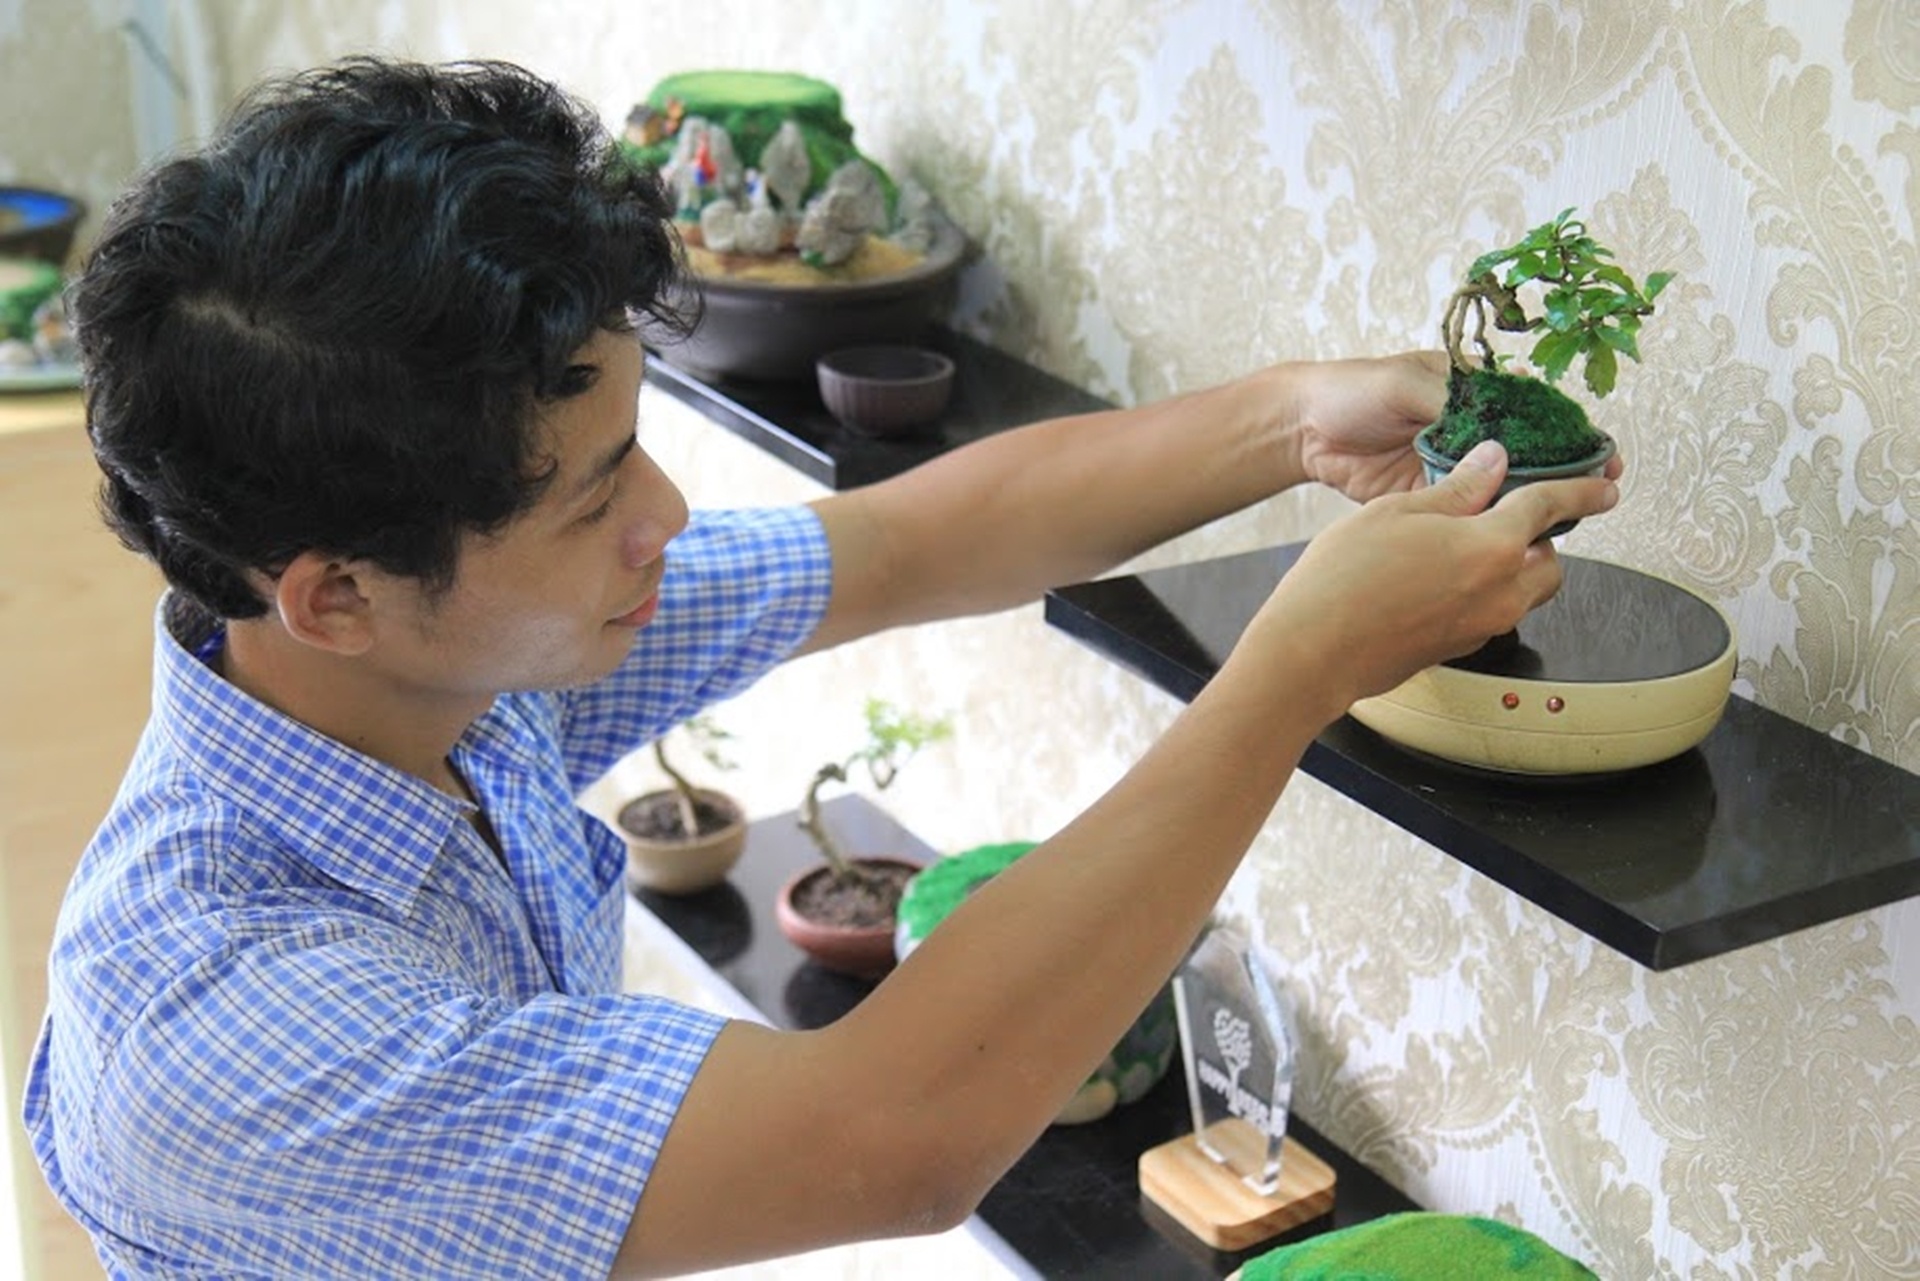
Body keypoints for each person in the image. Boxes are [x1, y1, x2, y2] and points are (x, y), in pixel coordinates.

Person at [23, 56, 1619, 1280]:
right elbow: (897, 1137)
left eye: (636, 447)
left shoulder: (433, 671)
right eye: (595, 496)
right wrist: (1302, 659)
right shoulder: (225, 1025)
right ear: (336, 594)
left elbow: (916, 541)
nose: (663, 516)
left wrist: (1290, 422)